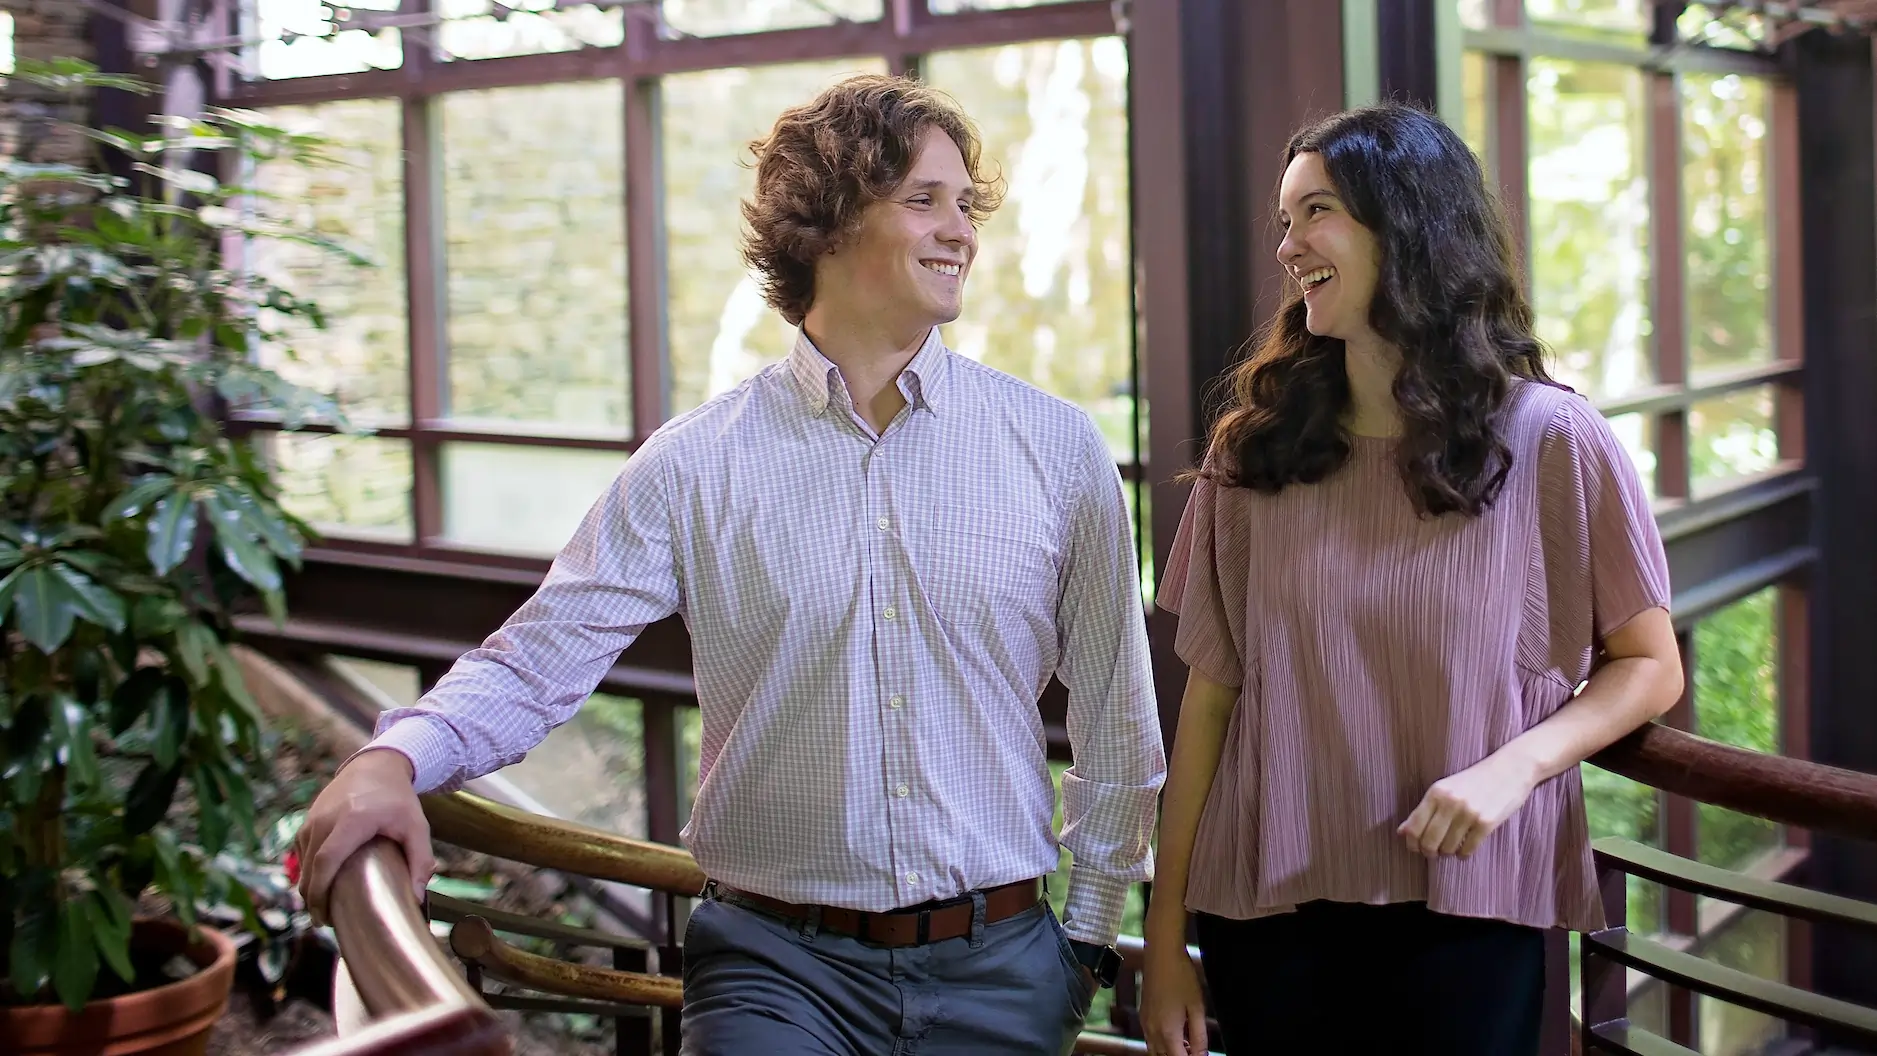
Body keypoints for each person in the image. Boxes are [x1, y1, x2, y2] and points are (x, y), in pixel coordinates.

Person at [292, 73, 1165, 1056]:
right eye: (922, 199)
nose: (958, 229)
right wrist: (392, 758)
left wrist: (1084, 942)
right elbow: (537, 664)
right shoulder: (695, 462)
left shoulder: (1056, 449)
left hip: (1001, 969)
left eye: (964, 204)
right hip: (772, 971)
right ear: (827, 223)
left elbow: (1116, 714)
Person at [1137, 102, 1685, 1056]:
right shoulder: (1251, 453)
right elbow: (1209, 706)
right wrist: (1164, 933)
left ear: (1410, 225)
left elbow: (1648, 666)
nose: (1288, 245)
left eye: (1317, 213)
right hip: (1268, 915)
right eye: (1283, 220)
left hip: (1472, 904)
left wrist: (1517, 766)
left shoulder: (1552, 439)